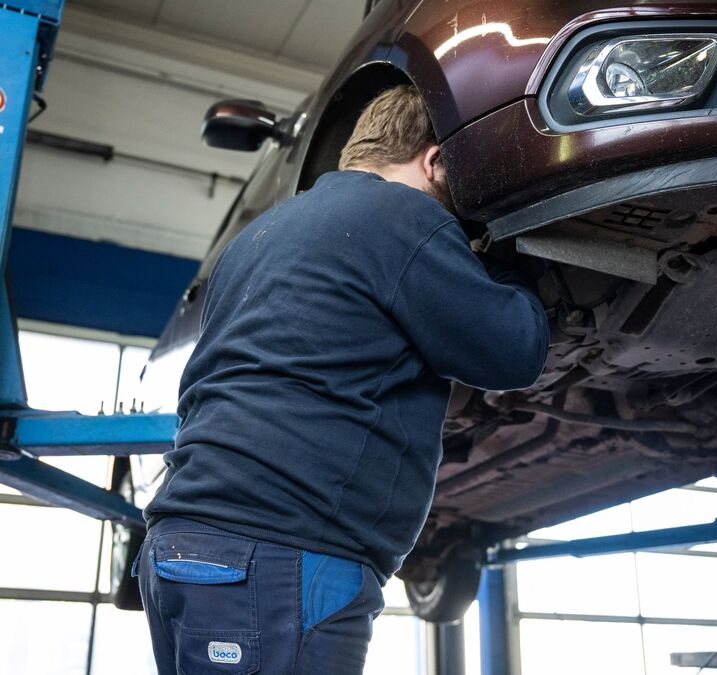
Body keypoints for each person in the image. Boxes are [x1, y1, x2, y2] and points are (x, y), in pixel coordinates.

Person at [134, 84, 549, 674]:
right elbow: (513, 352)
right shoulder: (401, 215)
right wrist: (509, 249)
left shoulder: (256, 237)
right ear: (434, 161)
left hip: (182, 547)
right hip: (279, 554)